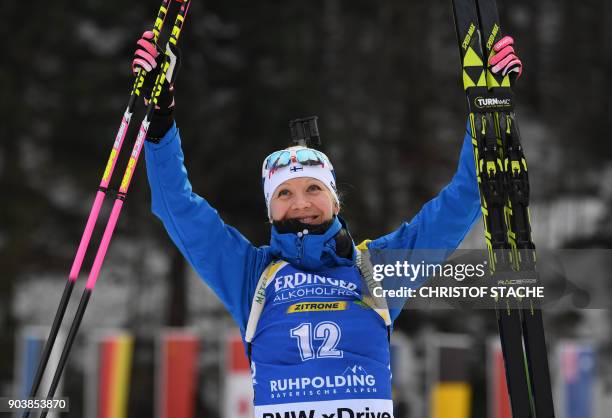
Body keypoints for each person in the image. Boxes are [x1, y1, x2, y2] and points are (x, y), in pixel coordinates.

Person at [134, 30, 522, 418]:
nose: (301, 203)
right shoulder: (251, 276)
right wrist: (161, 120)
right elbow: (178, 208)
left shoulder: (378, 270)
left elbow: (460, 203)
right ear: (270, 210)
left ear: (335, 199)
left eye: (313, 189)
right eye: (284, 194)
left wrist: (488, 113)